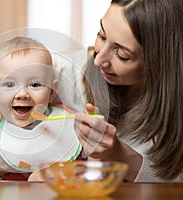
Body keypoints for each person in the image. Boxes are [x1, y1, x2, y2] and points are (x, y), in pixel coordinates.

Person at [75, 0, 183, 182]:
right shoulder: (74, 74)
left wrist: (121, 155)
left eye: (122, 55)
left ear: (161, 61)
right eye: (101, 35)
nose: (98, 60)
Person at [0, 36, 82, 181]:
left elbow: (83, 158)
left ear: (51, 92)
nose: (22, 94)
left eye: (34, 85)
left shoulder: (66, 119)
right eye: (9, 84)